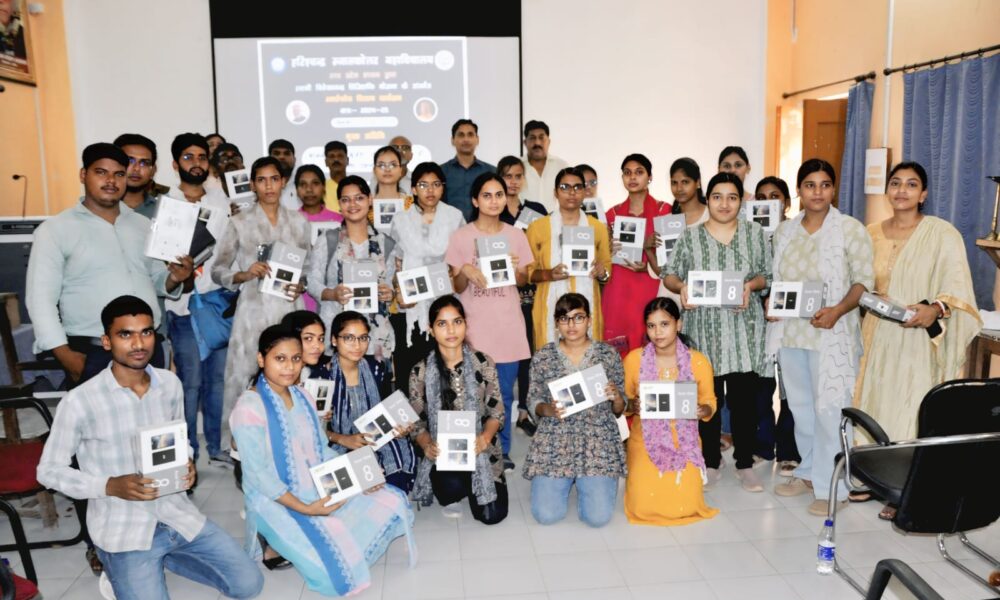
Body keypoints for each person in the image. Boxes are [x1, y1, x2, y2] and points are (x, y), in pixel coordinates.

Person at [36, 296, 263, 600]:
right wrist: (109, 485)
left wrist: (187, 462)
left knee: (248, 584)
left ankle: (160, 560)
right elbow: (48, 471)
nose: (138, 343)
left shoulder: (170, 384)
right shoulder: (80, 401)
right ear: (107, 341)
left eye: (146, 332)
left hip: (175, 513)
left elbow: (180, 440)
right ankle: (118, 569)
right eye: (125, 334)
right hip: (123, 528)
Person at [230, 324, 414, 596]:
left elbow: (321, 449)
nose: (289, 367)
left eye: (295, 358)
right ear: (261, 359)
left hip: (317, 481)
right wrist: (307, 509)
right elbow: (259, 476)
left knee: (392, 501)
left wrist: (360, 477)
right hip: (275, 499)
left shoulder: (303, 395)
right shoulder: (248, 408)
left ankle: (317, 539)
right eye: (279, 358)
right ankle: (276, 538)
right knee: (335, 578)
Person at [854, 161, 981, 520]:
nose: (902, 190)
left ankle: (906, 487)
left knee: (909, 405)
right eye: (895, 183)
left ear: (923, 194)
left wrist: (935, 308)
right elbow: (857, 281)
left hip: (917, 339)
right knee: (873, 401)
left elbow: (957, 287)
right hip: (876, 333)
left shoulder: (942, 234)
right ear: (887, 190)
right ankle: (872, 477)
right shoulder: (869, 234)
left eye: (911, 185)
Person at [25, 142, 191, 385]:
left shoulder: (142, 225)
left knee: (155, 411)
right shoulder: (55, 230)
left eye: (119, 174)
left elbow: (156, 280)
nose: (111, 181)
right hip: (92, 350)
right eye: (101, 172)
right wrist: (65, 355)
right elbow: (40, 300)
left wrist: (175, 277)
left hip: (147, 347)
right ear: (83, 175)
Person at [765, 160, 873, 516]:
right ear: (799, 189)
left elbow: (863, 282)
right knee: (801, 409)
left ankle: (834, 487)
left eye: (825, 185)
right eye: (810, 185)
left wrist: (838, 310)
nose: (817, 192)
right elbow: (778, 280)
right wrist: (772, 302)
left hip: (831, 334)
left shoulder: (850, 229)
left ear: (833, 189)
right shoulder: (785, 231)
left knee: (830, 411)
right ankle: (809, 472)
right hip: (792, 333)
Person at [662, 172, 772, 492]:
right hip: (703, 329)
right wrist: (681, 288)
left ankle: (744, 463)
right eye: (717, 197)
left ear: (741, 201)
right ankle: (710, 461)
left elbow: (767, 275)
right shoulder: (691, 237)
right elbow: (670, 274)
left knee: (744, 403)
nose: (725, 204)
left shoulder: (754, 234)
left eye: (732, 197)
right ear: (707, 199)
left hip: (743, 331)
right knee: (705, 399)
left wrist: (750, 286)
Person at [211, 156, 311, 422]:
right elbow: (217, 270)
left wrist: (300, 285)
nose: (269, 186)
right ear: (252, 185)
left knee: (292, 376)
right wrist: (245, 273)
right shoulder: (239, 222)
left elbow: (308, 268)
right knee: (245, 377)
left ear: (283, 182)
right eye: (262, 180)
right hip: (252, 311)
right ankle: (240, 440)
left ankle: (294, 435)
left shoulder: (299, 222)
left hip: (289, 308)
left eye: (274, 179)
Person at [445, 173, 534, 470]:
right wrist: (465, 270)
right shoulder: (461, 237)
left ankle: (502, 450)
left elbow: (523, 280)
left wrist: (516, 269)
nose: (494, 201)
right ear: (475, 200)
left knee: (504, 394)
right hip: (474, 329)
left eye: (498, 195)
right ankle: (472, 449)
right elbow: (457, 287)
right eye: (487, 195)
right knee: (471, 394)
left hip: (507, 327)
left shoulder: (515, 235)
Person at [523, 293, 626, 527]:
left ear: (589, 320)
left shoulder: (607, 354)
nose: (571, 325)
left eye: (578, 317)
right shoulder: (544, 356)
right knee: (546, 515)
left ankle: (585, 480)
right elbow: (533, 399)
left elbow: (619, 409)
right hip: (556, 435)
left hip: (597, 437)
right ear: (556, 323)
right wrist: (547, 409)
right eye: (564, 318)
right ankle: (568, 479)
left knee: (597, 518)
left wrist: (617, 397)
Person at [162, 133, 234, 467]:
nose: (196, 163)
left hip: (217, 304)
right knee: (189, 383)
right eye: (188, 157)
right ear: (175, 164)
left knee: (217, 382)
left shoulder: (221, 202)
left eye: (202, 157)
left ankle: (217, 447)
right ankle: (188, 450)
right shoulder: (167, 204)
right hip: (182, 307)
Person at [408, 296, 508, 524]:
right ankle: (458, 486)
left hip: (481, 450)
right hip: (445, 455)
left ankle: (476, 482)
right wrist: (426, 444)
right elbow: (416, 423)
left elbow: (497, 412)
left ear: (466, 324)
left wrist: (484, 438)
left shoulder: (484, 362)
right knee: (450, 490)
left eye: (457, 321)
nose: (451, 330)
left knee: (492, 515)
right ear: (431, 330)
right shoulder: (420, 371)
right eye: (442, 324)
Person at [623, 297, 719, 525]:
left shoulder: (697, 361)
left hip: (685, 442)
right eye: (651, 325)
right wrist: (633, 405)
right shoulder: (634, 360)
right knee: (642, 508)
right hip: (645, 440)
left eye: (664, 324)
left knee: (686, 507)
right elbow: (622, 402)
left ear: (679, 324)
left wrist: (703, 409)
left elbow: (710, 401)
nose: (657, 332)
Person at [306, 175, 396, 388]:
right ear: (339, 205)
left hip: (375, 339)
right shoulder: (328, 240)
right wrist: (333, 293)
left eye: (359, 198)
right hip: (337, 335)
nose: (352, 204)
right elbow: (312, 282)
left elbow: (391, 283)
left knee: (375, 398)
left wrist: (389, 292)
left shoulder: (386, 243)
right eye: (346, 200)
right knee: (337, 398)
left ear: (370, 199)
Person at [388, 161, 464, 391]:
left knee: (445, 370)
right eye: (423, 185)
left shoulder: (454, 217)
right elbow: (396, 263)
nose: (430, 190)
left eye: (436, 184)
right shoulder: (401, 220)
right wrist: (399, 292)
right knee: (412, 370)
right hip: (413, 306)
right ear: (413, 189)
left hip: (445, 302)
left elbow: (461, 259)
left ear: (443, 187)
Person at [321, 311, 417, 492]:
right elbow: (311, 430)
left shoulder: (376, 368)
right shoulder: (322, 377)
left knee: (394, 478)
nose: (357, 345)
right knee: (348, 488)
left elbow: (387, 407)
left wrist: (401, 426)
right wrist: (343, 439)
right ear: (334, 340)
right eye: (349, 338)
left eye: (363, 338)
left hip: (376, 438)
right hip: (339, 443)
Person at [527, 167, 611, 348]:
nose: (572, 192)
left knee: (589, 360)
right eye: (565, 187)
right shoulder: (537, 228)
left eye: (577, 187)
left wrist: (601, 272)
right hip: (549, 308)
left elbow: (607, 272)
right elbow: (528, 272)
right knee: (551, 361)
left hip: (588, 307)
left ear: (584, 191)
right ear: (555, 192)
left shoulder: (597, 228)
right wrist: (549, 274)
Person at [751, 176, 800, 475]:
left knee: (791, 389)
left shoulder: (796, 233)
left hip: (789, 322)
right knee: (761, 388)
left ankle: (789, 450)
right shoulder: (749, 234)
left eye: (774, 196)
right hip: (756, 322)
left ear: (786, 203)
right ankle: (763, 445)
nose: (767, 202)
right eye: (761, 197)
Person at [497, 155, 548, 436]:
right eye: (508, 176)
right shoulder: (493, 213)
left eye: (518, 176)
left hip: (533, 290)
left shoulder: (537, 210)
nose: (513, 182)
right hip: (502, 292)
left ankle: (525, 411)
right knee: (507, 354)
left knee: (530, 351)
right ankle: (500, 412)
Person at [602, 154, 673, 356]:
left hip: (650, 286)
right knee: (618, 355)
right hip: (618, 289)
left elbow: (671, 257)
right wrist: (608, 249)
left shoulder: (664, 211)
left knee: (651, 348)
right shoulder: (612, 214)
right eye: (627, 173)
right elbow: (603, 257)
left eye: (639, 172)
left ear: (650, 177)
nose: (632, 177)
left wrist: (647, 266)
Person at [440, 119, 496, 221]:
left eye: (470, 135)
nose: (466, 139)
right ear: (452, 140)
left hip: (483, 228)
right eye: (461, 135)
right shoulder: (441, 171)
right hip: (450, 227)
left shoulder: (492, 172)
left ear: (477, 139)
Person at [521, 120, 569, 213]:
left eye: (541, 138)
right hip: (523, 220)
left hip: (556, 220)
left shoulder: (561, 166)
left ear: (549, 142)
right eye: (532, 138)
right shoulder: (517, 167)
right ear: (525, 142)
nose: (537, 143)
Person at [114, 133, 160, 219]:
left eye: (144, 163)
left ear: (153, 170)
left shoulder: (162, 212)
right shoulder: (96, 207)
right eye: (130, 161)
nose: (137, 168)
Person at [371, 145, 413, 217]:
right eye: (381, 165)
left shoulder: (411, 204)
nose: (387, 169)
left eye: (393, 165)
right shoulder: (367, 205)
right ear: (374, 170)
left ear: (400, 170)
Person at [268, 138, 299, 210]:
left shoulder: (303, 184)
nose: (281, 157)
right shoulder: (259, 186)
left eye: (287, 153)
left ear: (294, 160)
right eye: (276, 153)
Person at [323, 140, 349, 212]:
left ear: (347, 160)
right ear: (326, 162)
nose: (336, 159)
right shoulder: (321, 188)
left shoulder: (356, 186)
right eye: (332, 156)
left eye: (340, 156)